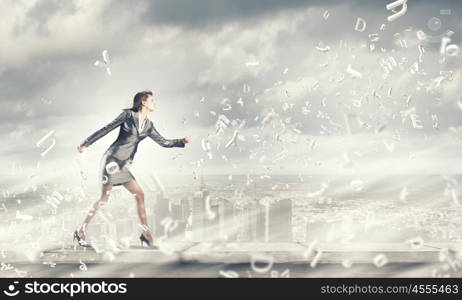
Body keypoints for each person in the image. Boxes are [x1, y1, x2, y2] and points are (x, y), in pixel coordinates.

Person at [74, 90, 189, 248]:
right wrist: (86, 143)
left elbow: (163, 142)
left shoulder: (148, 125)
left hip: (123, 165)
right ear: (143, 102)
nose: (155, 103)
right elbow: (106, 129)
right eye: (152, 100)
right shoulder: (127, 115)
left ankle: (146, 235)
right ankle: (80, 230)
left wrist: (180, 141)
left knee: (140, 194)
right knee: (104, 199)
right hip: (112, 160)